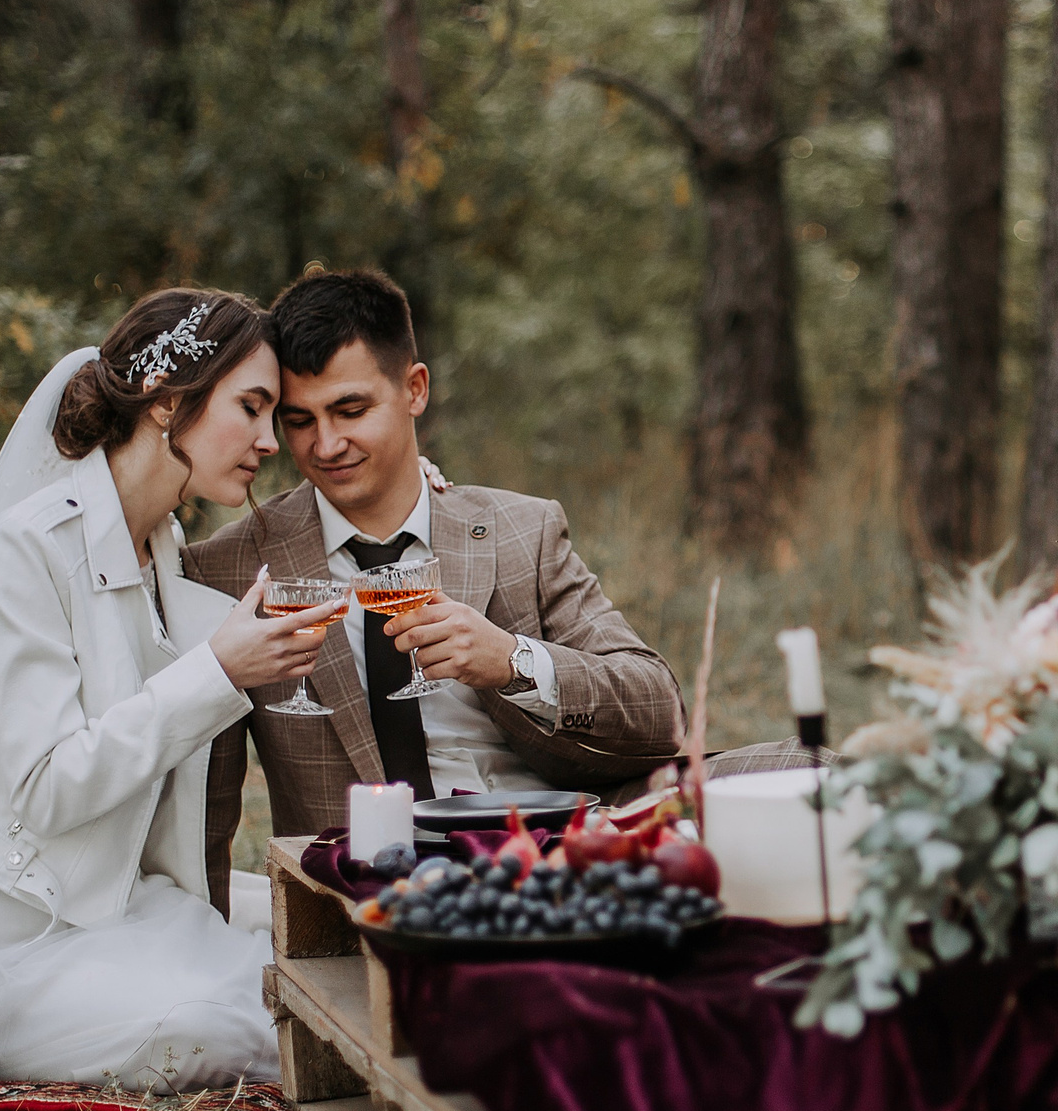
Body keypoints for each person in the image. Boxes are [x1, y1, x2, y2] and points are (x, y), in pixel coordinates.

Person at [0, 289, 339, 1091]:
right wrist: (218, 671)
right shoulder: (26, 551)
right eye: (251, 407)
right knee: (226, 1022)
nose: (270, 440)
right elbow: (50, 786)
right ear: (166, 401)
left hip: (107, 899)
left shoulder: (162, 547)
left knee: (310, 963)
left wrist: (410, 476)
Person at [189, 268, 686, 898]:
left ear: (415, 389)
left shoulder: (522, 531)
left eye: (351, 410)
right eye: (299, 420)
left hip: (553, 856)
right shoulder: (231, 569)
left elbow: (658, 712)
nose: (327, 445)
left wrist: (511, 661)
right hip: (374, 890)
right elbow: (206, 813)